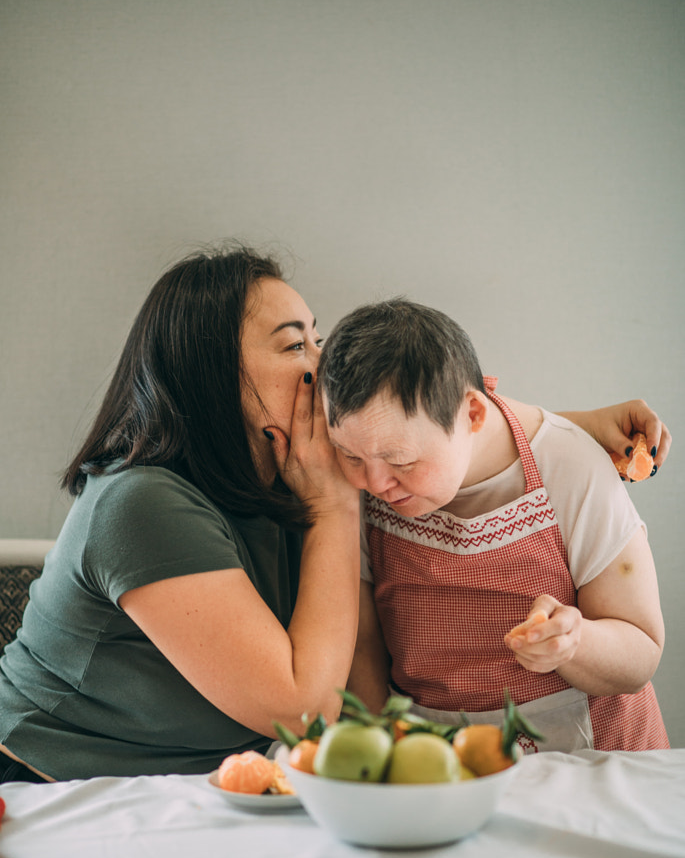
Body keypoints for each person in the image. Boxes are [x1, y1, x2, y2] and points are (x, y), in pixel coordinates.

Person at [0, 248, 671, 782]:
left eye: (318, 342)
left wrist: (563, 429)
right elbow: (304, 709)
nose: (322, 369)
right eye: (295, 347)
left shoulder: (284, 475)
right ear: (212, 373)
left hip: (206, 785)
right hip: (57, 782)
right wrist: (332, 504)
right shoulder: (144, 504)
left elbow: (430, 408)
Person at [318, 298, 669, 752]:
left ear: (473, 414)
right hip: (434, 759)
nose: (375, 482)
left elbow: (641, 652)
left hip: (590, 759)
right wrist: (379, 751)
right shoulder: (362, 484)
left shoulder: (570, 466)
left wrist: (574, 643)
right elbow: (362, 643)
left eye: (401, 461)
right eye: (350, 457)